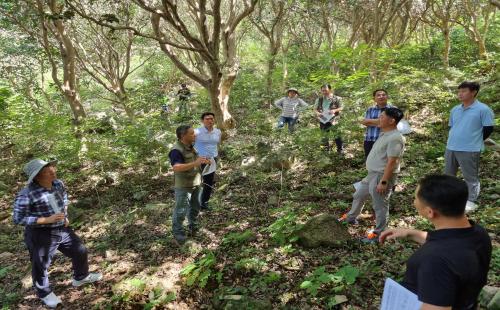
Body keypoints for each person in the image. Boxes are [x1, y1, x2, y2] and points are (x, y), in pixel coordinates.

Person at [380, 174, 492, 310]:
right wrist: (411, 233)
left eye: (415, 198)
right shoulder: (478, 233)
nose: (414, 201)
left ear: (430, 212)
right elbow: (450, 244)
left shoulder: (435, 261)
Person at [13, 159, 103, 308]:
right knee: (41, 264)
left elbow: (63, 198)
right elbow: (18, 218)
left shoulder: (57, 184)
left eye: (52, 167)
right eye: (47, 170)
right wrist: (45, 220)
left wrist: (65, 215)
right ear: (37, 176)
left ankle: (81, 277)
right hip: (40, 233)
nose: (53, 171)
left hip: (61, 228)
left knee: (80, 251)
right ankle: (45, 293)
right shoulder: (27, 194)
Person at [339, 107, 405, 243]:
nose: (378, 119)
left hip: (381, 175)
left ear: (392, 121)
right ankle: (351, 217)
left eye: (382, 117)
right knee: (358, 194)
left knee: (380, 205)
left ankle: (379, 234)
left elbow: (393, 161)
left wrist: (384, 182)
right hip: (372, 174)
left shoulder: (395, 138)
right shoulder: (384, 133)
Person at [444, 81, 494, 212]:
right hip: (451, 146)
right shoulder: (455, 109)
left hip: (470, 148)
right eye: (459, 91)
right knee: (449, 174)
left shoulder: (483, 109)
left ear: (473, 92)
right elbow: (452, 127)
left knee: (470, 176)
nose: (460, 94)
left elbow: (488, 128)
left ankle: (471, 200)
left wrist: (475, 139)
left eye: (464, 91)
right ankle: (450, 196)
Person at [169, 125, 210, 245]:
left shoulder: (191, 146)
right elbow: (176, 167)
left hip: (196, 183)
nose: (195, 135)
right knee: (181, 210)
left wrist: (203, 161)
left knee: (195, 207)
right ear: (183, 136)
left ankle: (194, 227)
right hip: (184, 186)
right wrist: (195, 163)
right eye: (192, 133)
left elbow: (195, 160)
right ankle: (178, 233)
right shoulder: (176, 150)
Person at [194, 112, 222, 211]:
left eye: (211, 119)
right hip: (199, 159)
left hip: (212, 159)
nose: (210, 120)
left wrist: (215, 157)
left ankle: (204, 203)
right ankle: (193, 203)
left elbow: (216, 144)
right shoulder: (196, 132)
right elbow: (190, 145)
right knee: (196, 181)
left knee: (208, 182)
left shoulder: (218, 131)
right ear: (202, 121)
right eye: (207, 119)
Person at [361, 89, 394, 158]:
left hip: (388, 141)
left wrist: (371, 121)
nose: (381, 96)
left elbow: (395, 123)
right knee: (370, 162)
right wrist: (385, 121)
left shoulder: (393, 109)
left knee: (386, 162)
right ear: (374, 99)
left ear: (387, 97)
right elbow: (364, 122)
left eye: (383, 95)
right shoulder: (370, 109)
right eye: (378, 95)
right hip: (370, 140)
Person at [315, 84, 343, 153]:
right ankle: (325, 151)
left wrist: (334, 110)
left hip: (334, 118)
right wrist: (318, 113)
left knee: (337, 135)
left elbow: (342, 107)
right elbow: (315, 109)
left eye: (326, 90)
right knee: (324, 136)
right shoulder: (319, 99)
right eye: (322, 91)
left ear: (330, 90)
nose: (324, 92)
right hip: (323, 119)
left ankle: (340, 150)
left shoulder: (337, 98)